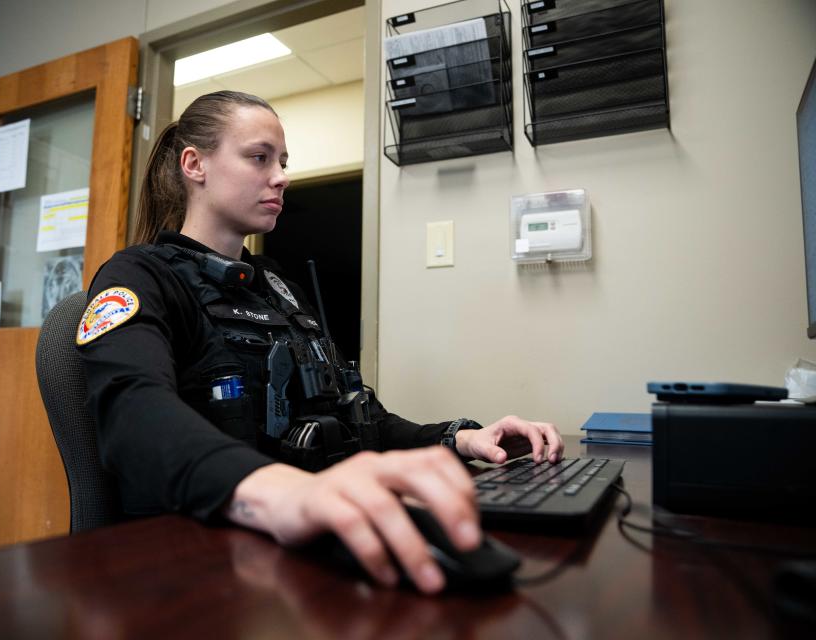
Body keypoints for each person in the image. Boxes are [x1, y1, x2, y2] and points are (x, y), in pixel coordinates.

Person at [76, 91, 563, 594]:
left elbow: (359, 418)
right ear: (195, 164)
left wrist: (462, 438)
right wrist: (282, 493)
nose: (282, 176)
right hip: (204, 560)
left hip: (306, 547)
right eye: (259, 157)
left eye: (283, 162)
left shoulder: (276, 286)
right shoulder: (138, 275)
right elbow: (132, 410)